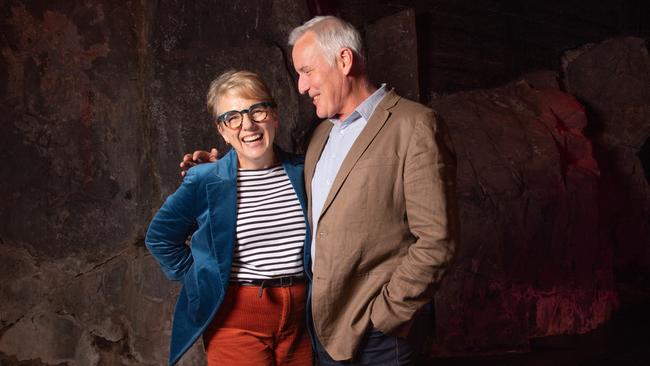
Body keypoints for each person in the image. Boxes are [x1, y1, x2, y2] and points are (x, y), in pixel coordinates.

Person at [183, 16, 458, 366]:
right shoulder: (320, 135)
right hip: (321, 333)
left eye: (307, 71)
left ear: (344, 61)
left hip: (379, 336)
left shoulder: (415, 125)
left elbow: (438, 239)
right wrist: (222, 167)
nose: (301, 86)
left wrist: (387, 316)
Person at [146, 70, 313, 366]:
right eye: (232, 117)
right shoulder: (205, 179)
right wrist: (203, 279)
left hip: (301, 324)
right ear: (222, 130)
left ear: (274, 115)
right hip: (237, 324)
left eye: (256, 111)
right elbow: (160, 238)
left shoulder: (305, 171)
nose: (247, 125)